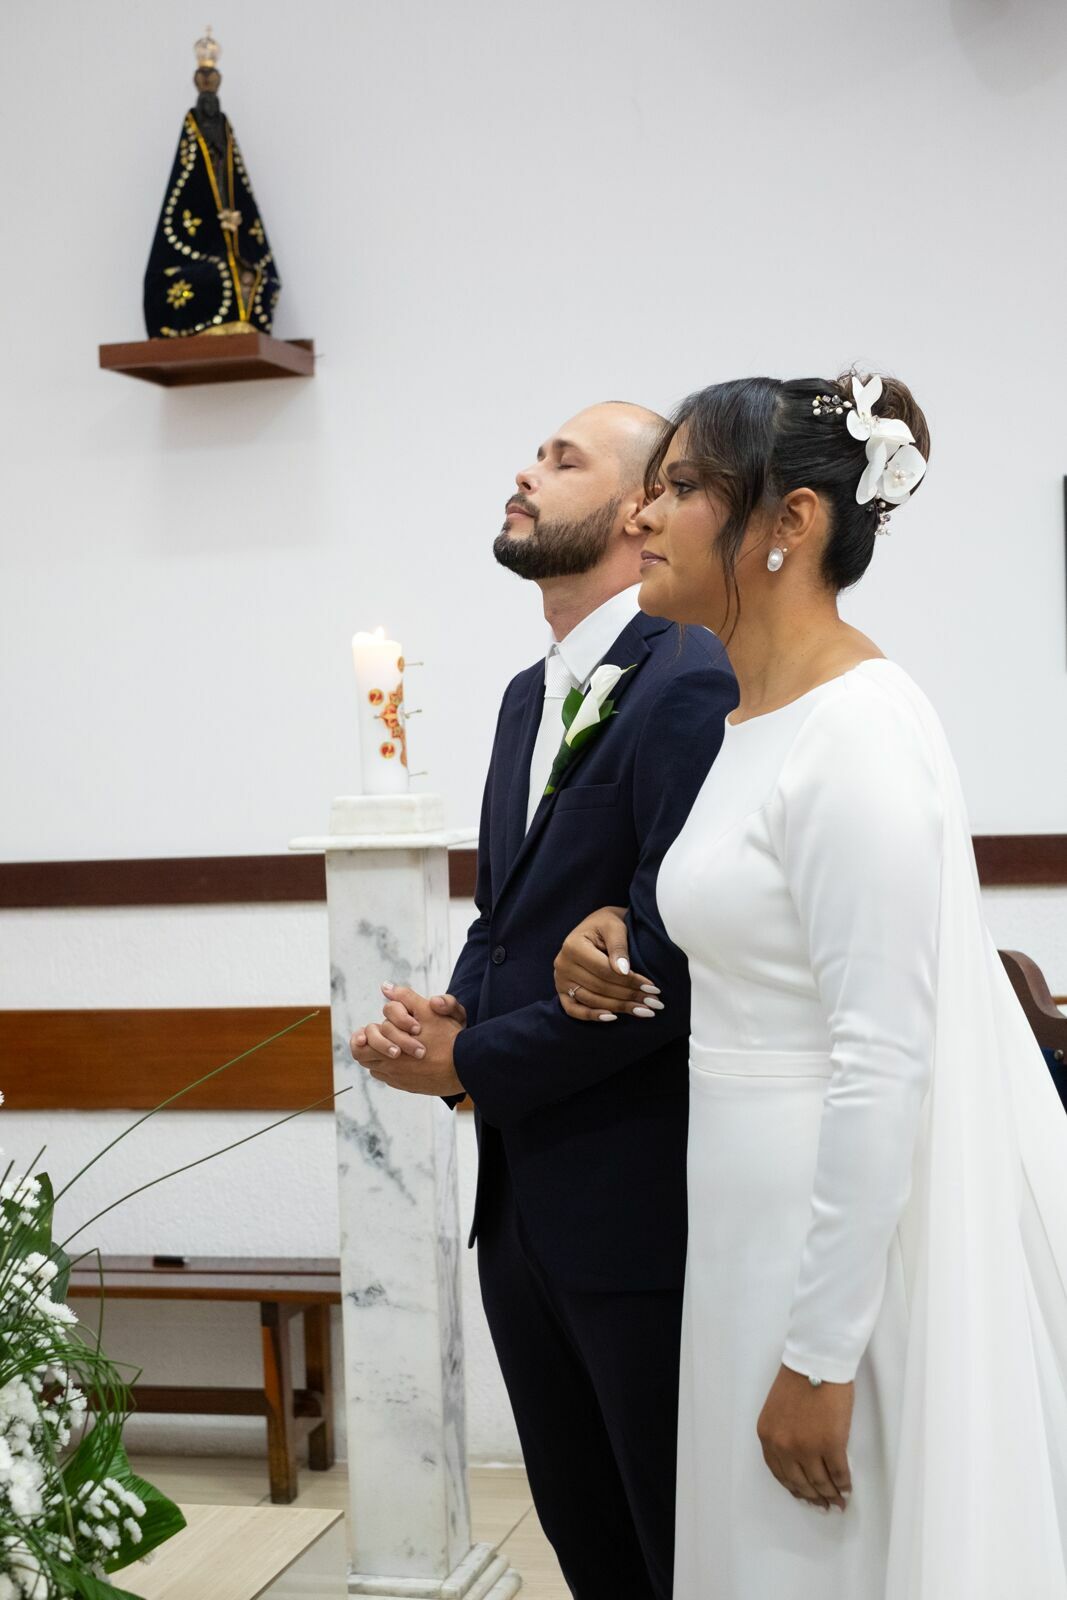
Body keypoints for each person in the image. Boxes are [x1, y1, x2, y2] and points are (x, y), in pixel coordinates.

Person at [552, 372, 1067, 1598]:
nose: (643, 517)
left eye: (678, 489)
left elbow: (883, 1054)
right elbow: (765, 921)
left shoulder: (859, 733)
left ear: (787, 524)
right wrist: (613, 927)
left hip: (828, 1256)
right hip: (742, 1226)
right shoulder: (750, 715)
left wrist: (822, 1357)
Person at [350, 400, 737, 1600]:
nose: (523, 470)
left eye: (561, 459)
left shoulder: (688, 674)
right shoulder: (530, 692)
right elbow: (506, 912)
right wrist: (452, 1013)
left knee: (670, 1539)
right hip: (519, 1203)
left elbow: (664, 965)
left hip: (635, 1204)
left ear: (638, 508)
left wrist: (473, 1067)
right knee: (582, 1532)